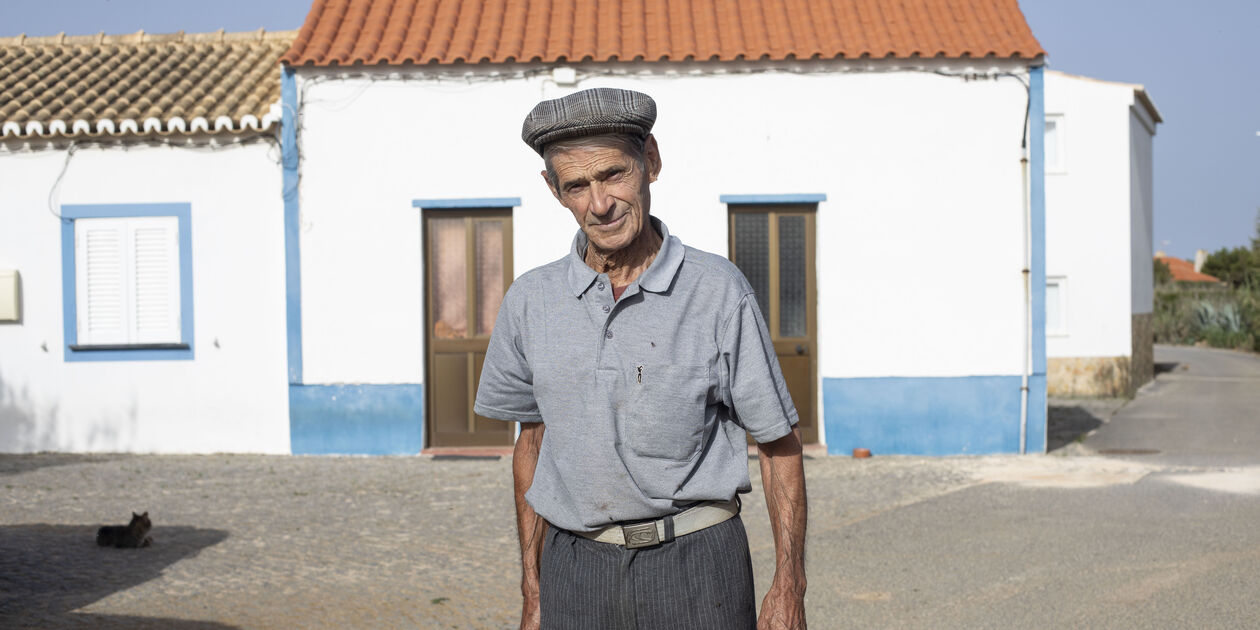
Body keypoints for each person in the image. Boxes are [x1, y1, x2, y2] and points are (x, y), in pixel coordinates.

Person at [474, 87, 807, 630]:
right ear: (554, 191)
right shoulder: (529, 301)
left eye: (613, 174)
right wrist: (533, 590)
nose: (599, 203)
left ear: (650, 161)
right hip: (575, 571)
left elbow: (778, 445)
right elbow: (530, 446)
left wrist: (789, 588)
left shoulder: (718, 291)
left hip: (700, 567)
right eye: (577, 185)